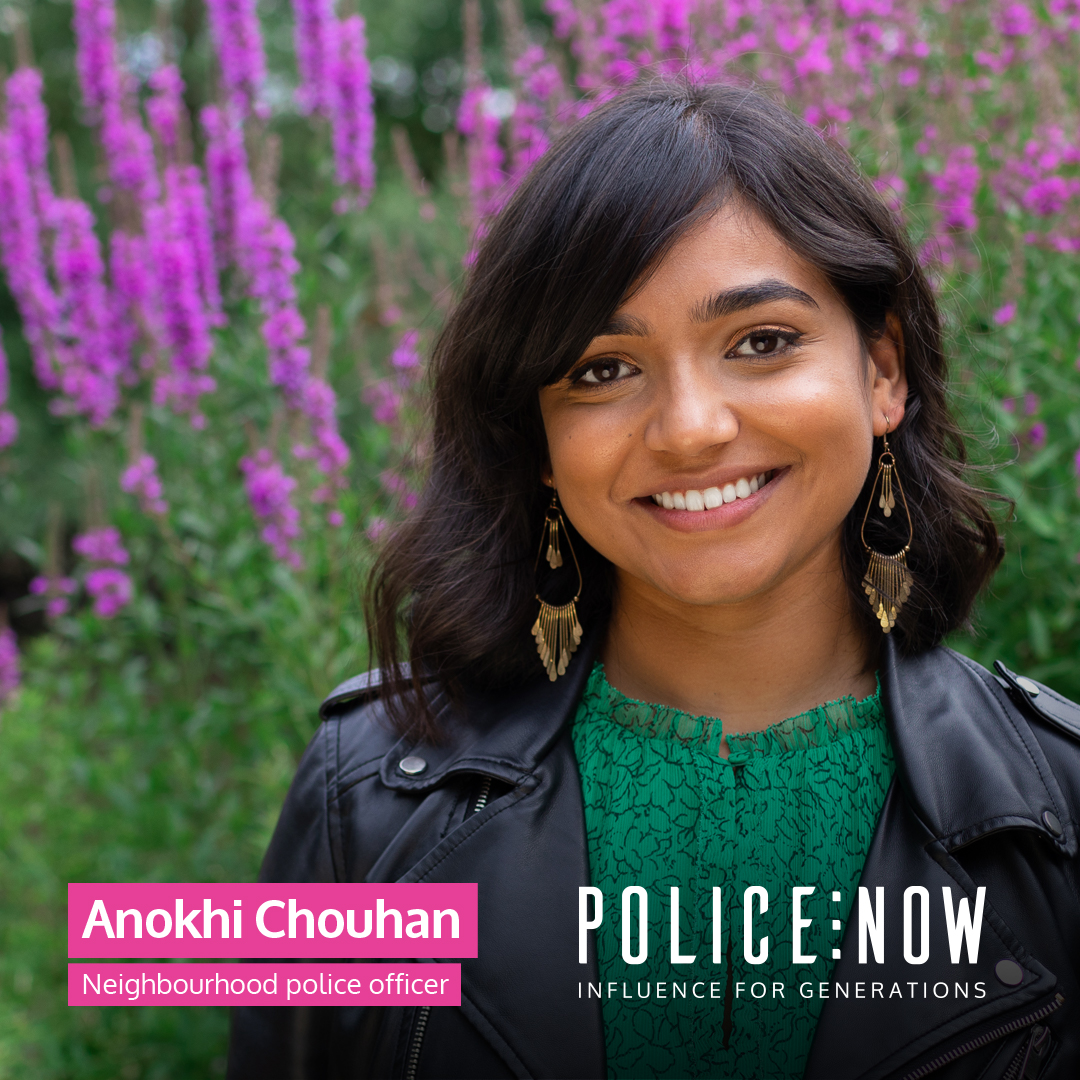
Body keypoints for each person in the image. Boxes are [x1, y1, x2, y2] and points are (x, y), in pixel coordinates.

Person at [228, 82, 1080, 1080]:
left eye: (761, 342)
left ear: (882, 371)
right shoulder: (363, 801)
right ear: (540, 439)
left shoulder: (1058, 818)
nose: (689, 428)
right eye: (601, 369)